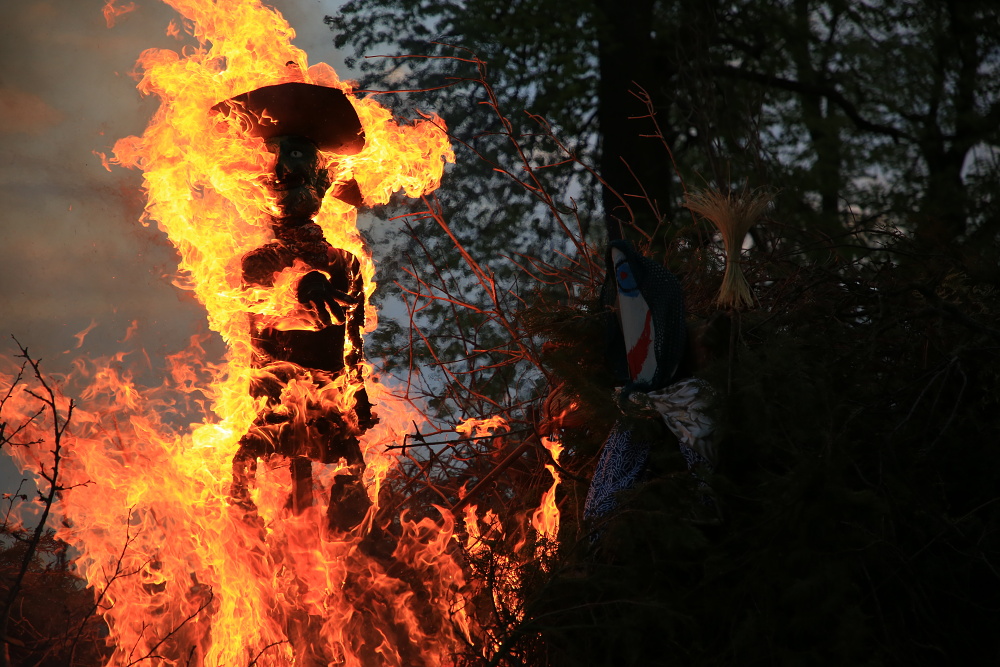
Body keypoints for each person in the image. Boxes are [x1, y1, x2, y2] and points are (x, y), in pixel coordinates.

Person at [216, 83, 376, 532]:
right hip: (277, 396)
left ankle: (346, 527)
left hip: (328, 397)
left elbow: (353, 340)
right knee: (245, 463)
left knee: (350, 466)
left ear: (322, 183)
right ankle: (246, 529)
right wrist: (300, 283)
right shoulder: (259, 262)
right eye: (274, 169)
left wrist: (358, 395)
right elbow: (261, 307)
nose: (280, 175)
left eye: (297, 167)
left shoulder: (345, 263)